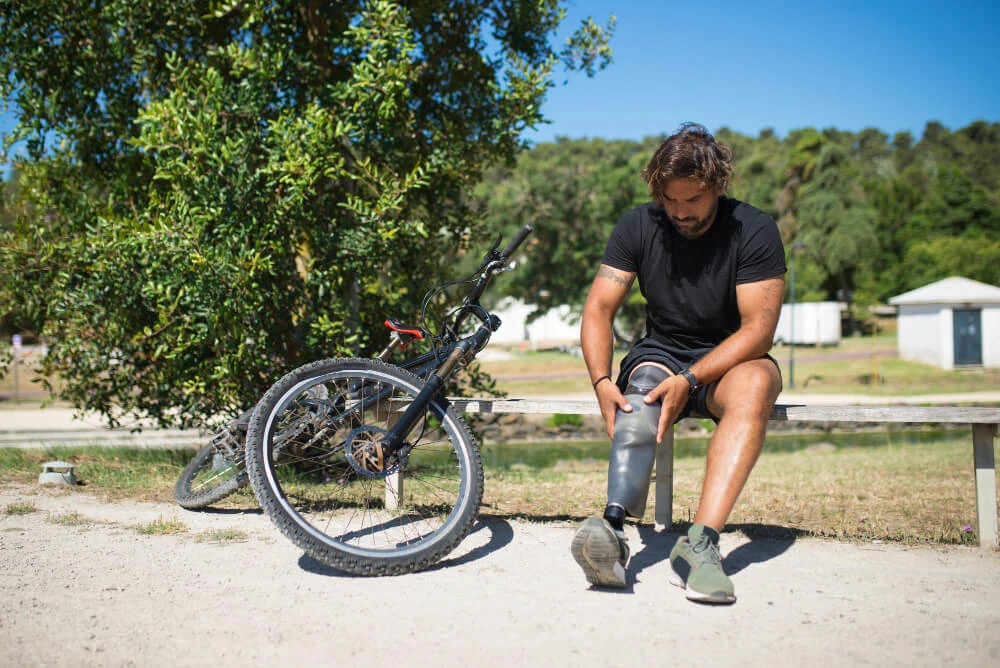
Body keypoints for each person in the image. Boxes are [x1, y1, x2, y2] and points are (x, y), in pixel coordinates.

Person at [571, 123, 786, 604]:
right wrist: (602, 381)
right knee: (641, 386)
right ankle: (614, 531)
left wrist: (693, 379)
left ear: (718, 188)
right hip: (662, 352)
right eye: (670, 200)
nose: (680, 213)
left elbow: (758, 331)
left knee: (755, 386)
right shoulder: (638, 225)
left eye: (692, 201)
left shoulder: (754, 229)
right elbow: (599, 309)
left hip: (732, 357)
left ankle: (700, 546)